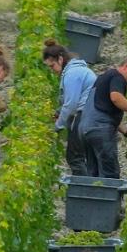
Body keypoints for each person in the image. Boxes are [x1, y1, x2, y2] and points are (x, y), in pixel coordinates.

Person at [79, 56, 127, 179]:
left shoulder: (104, 78)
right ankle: (108, 197)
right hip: (99, 130)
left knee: (93, 174)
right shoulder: (118, 77)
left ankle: (92, 197)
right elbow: (116, 98)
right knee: (110, 174)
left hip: (86, 129)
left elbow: (104, 112)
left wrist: (126, 131)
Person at [43, 40, 96, 176]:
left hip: (84, 115)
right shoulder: (76, 70)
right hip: (91, 114)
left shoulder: (72, 73)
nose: (52, 70)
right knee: (84, 157)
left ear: (60, 59)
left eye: (52, 66)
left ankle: (83, 191)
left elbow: (71, 105)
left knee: (74, 157)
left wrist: (57, 126)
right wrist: (59, 112)